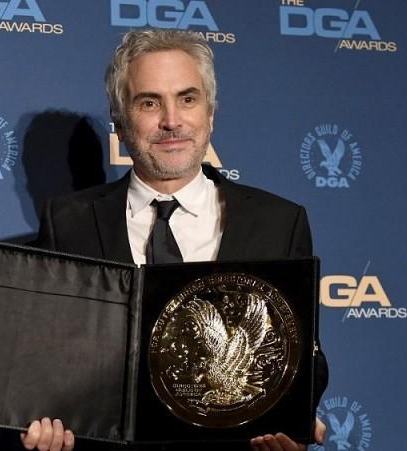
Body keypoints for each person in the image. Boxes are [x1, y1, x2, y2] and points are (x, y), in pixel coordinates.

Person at [21, 29, 328, 451]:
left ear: (211, 113)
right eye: (149, 102)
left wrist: (296, 414)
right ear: (121, 122)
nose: (172, 121)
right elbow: (48, 355)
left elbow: (303, 353)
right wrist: (41, 419)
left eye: (187, 99)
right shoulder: (67, 222)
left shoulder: (279, 222)